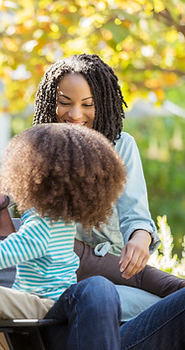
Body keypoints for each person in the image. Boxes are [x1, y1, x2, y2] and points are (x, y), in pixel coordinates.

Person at [0, 144, 185, 350]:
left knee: (97, 288)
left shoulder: (43, 229)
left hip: (95, 339)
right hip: (34, 341)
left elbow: (134, 273)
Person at [33, 53, 160, 280]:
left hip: (114, 267)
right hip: (58, 273)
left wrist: (141, 237)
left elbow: (136, 216)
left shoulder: (121, 147)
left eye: (88, 105)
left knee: (172, 294)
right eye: (64, 103)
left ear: (102, 105)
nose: (75, 114)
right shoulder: (37, 149)